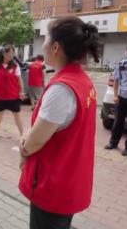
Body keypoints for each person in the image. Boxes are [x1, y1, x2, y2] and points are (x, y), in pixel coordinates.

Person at [18, 17, 99, 229]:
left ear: (55, 47)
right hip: (70, 179)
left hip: (53, 185)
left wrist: (24, 146)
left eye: (45, 39)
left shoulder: (62, 89)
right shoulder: (82, 80)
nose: (42, 45)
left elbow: (35, 142)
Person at [0, 46, 25, 139]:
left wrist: (21, 92)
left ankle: (22, 134)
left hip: (13, 95)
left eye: (12, 53)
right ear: (4, 54)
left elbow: (19, 79)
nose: (11, 55)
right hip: (0, 95)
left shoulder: (15, 65)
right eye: (9, 53)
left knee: (16, 114)